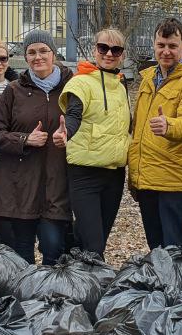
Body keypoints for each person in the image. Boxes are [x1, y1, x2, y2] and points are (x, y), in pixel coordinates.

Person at [0, 30, 73, 263]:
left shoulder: (72, 87)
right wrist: (24, 140)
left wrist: (70, 137)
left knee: (53, 246)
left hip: (57, 182)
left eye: (43, 51)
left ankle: (49, 296)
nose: (38, 57)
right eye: (31, 52)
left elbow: (86, 125)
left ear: (54, 54)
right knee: (22, 250)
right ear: (25, 57)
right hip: (21, 184)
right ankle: (27, 297)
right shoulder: (14, 91)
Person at [127, 18, 182, 252]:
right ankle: (163, 289)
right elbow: (138, 129)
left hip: (174, 181)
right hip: (147, 178)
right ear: (154, 45)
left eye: (172, 46)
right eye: (161, 45)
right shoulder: (148, 79)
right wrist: (135, 174)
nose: (166, 51)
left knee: (177, 250)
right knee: (156, 248)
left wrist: (169, 126)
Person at [57, 28, 132, 257]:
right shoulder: (80, 83)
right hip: (85, 173)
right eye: (103, 48)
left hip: (114, 174)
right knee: (94, 247)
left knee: (91, 239)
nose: (109, 54)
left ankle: (73, 279)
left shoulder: (121, 84)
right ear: (94, 50)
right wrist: (66, 132)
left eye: (116, 50)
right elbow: (74, 114)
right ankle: (91, 288)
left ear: (123, 54)